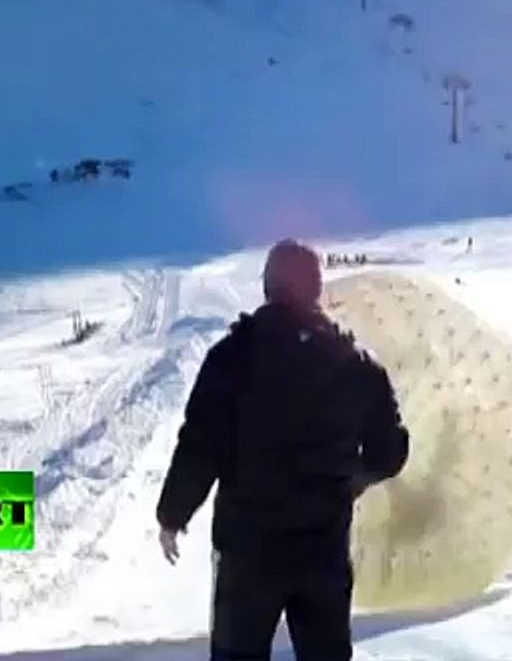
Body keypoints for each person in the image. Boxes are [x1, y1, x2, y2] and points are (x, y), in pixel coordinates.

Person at [156, 239, 410, 661]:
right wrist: (356, 478)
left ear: (268, 287)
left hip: (248, 552)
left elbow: (200, 445)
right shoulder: (355, 363)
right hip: (323, 549)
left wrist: (172, 515)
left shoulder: (231, 357)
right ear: (316, 289)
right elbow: (391, 450)